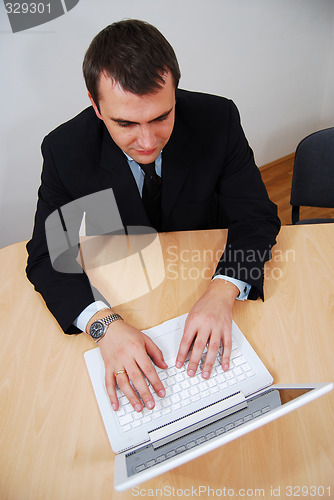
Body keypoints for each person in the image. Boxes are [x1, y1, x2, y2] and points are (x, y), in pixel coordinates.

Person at [26, 19, 280, 414]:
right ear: (96, 106)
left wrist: (224, 288)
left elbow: (256, 216)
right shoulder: (64, 150)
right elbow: (47, 256)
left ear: (174, 92)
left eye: (161, 117)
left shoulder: (218, 118)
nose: (146, 141)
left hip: (202, 272)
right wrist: (103, 325)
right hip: (128, 283)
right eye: (126, 123)